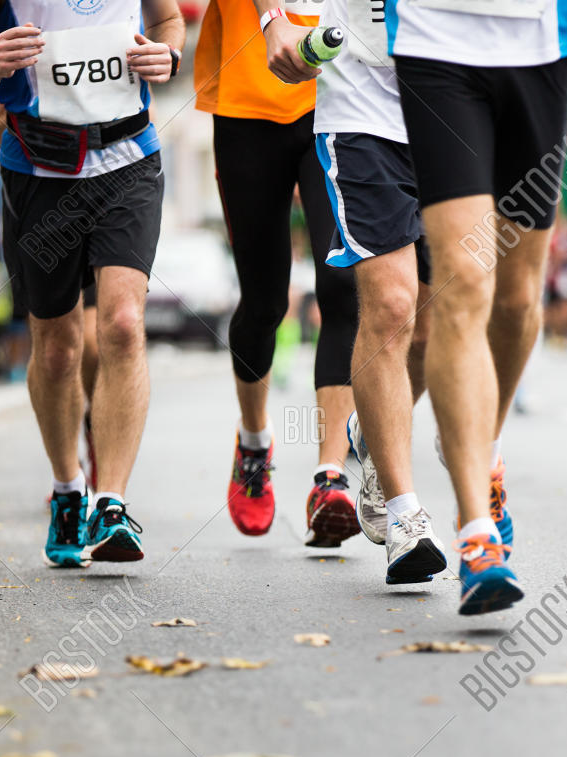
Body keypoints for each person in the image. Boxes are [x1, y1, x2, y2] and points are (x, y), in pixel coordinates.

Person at [0, 0, 185, 567]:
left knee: (122, 324)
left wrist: (168, 54)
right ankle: (68, 488)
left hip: (128, 157)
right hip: (38, 168)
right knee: (56, 350)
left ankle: (111, 503)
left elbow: (169, 22)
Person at [389, 0, 567, 614]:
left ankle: (482, 449)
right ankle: (477, 534)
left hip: (543, 42)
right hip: (434, 36)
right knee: (464, 282)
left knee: (514, 301)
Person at [284, 0, 448, 584]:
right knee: (393, 307)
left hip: (452, 117)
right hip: (362, 118)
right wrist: (272, 23)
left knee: (434, 327)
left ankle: (370, 436)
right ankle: (404, 516)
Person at [197, 0, 362, 548]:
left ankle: (330, 477)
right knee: (264, 301)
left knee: (343, 285)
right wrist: (271, 20)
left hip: (339, 93)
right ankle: (253, 442)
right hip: (248, 97)